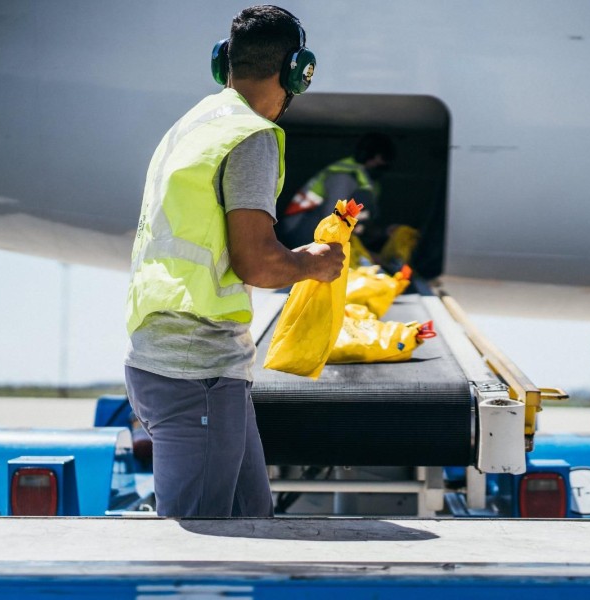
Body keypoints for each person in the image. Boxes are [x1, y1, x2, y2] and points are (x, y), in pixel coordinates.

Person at [123, 5, 344, 518]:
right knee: (196, 553)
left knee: (251, 518)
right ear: (297, 70)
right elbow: (258, 264)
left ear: (225, 61)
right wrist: (314, 262)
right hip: (195, 372)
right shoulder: (251, 137)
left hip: (179, 361)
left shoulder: (194, 125)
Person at [277, 133, 396, 252]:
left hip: (321, 230)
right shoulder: (344, 176)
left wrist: (382, 232)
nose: (382, 165)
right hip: (299, 229)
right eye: (380, 159)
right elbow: (332, 218)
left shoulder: (370, 184)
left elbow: (362, 218)